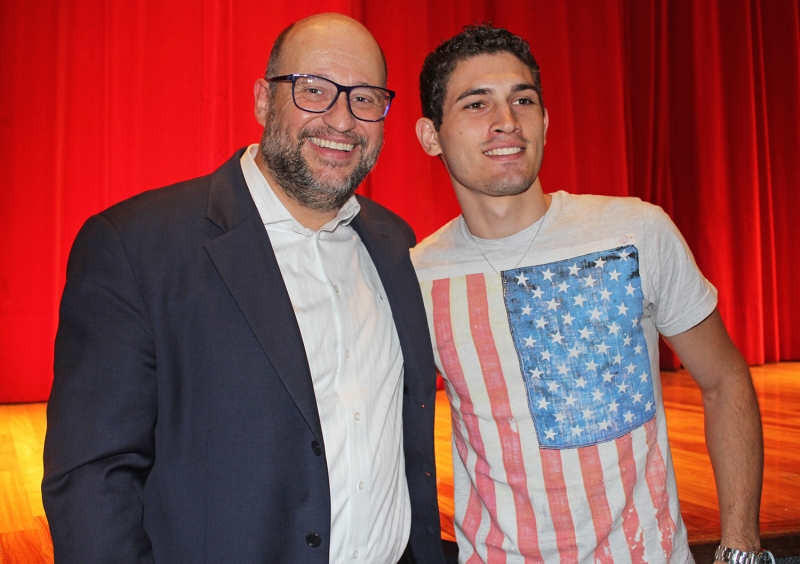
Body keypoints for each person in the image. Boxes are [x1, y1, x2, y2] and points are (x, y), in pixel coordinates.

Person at [43, 13, 445, 564]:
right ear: (262, 100)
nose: (342, 119)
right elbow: (92, 481)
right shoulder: (136, 246)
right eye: (313, 90)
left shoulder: (395, 242)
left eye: (365, 98)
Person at [411, 24, 765, 564]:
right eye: (476, 104)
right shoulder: (417, 277)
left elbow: (724, 380)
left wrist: (740, 547)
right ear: (430, 136)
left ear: (546, 121)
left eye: (523, 100)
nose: (507, 121)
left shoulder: (635, 229)